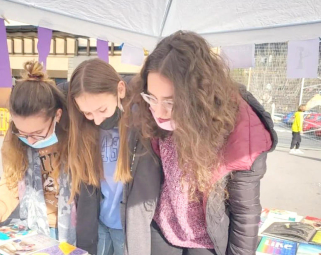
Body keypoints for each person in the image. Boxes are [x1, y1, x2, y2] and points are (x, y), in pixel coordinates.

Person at [131, 31, 277, 255]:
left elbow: (245, 214)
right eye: (152, 98)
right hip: (164, 228)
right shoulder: (151, 118)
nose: (158, 113)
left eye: (170, 102)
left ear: (198, 97)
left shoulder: (240, 130)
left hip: (209, 238)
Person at [0, 61, 75, 244]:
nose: (31, 140)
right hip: (34, 227)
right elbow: (10, 182)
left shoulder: (75, 136)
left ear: (57, 116)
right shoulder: (14, 140)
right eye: (23, 134)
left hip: (75, 228)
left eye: (37, 133)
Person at [67, 59, 162, 255]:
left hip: (128, 227)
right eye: (87, 113)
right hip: (99, 222)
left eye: (102, 110)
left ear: (120, 90)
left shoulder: (141, 125)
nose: (98, 119)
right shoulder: (86, 130)